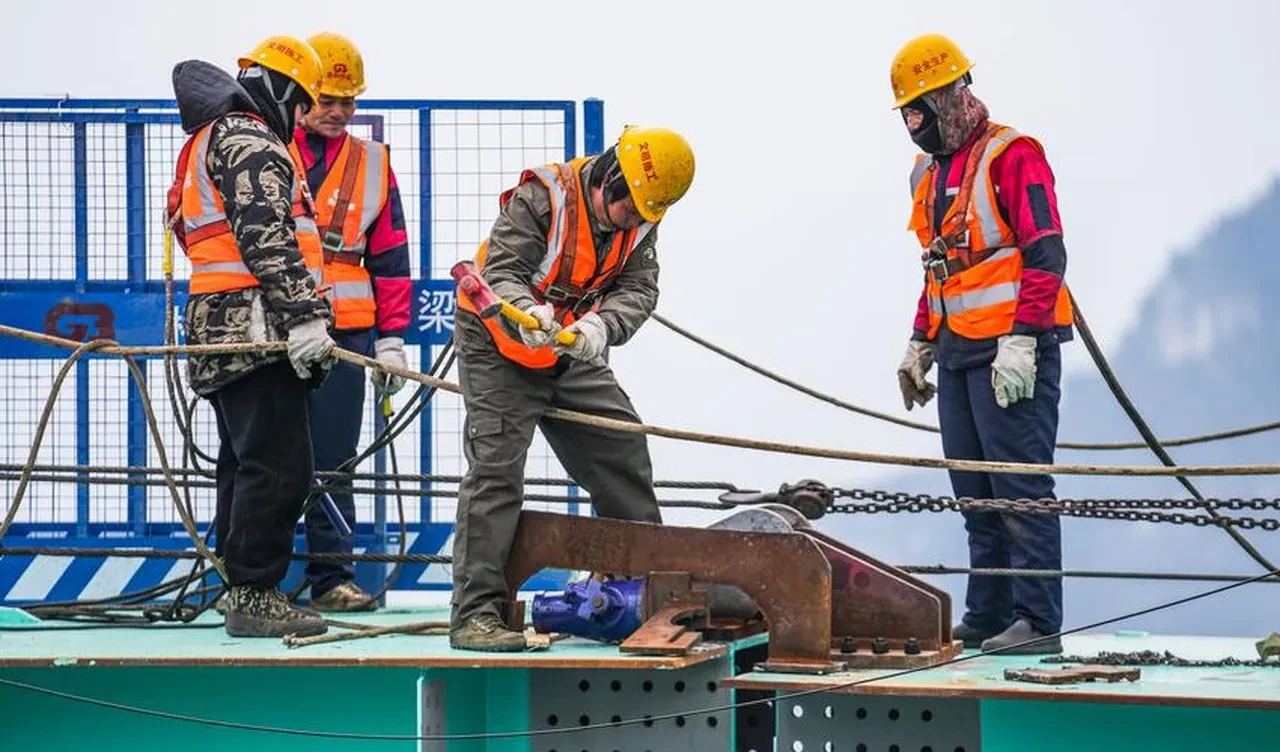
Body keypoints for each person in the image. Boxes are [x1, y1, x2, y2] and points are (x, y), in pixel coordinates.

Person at [449, 125, 696, 651]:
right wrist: (527, 312)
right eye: (629, 210)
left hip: (565, 346)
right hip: (499, 343)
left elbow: (638, 287)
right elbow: (504, 273)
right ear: (610, 179)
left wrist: (601, 327)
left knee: (621, 444)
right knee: (496, 472)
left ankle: (635, 595)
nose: (634, 222)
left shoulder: (643, 218)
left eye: (645, 216)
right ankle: (476, 617)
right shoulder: (543, 197)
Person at [889, 33, 1073, 655]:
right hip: (958, 350)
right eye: (906, 114)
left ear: (948, 98)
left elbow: (1046, 252)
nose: (912, 126)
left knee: (1020, 488)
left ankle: (1038, 624)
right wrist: (920, 341)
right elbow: (939, 265)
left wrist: (1024, 339)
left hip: (1012, 352)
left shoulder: (1013, 155)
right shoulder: (930, 170)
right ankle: (989, 613)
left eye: (918, 111)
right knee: (974, 495)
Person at [167, 35, 337, 638]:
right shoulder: (250, 140)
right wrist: (303, 316)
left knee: (244, 465)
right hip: (257, 330)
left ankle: (240, 586)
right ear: (286, 90)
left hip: (222, 331)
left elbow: (197, 234)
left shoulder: (209, 141)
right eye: (301, 106)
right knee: (279, 466)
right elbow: (266, 236)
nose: (300, 120)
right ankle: (255, 594)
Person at [286, 31, 412, 612]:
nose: (337, 112)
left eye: (348, 101)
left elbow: (389, 258)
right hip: (273, 324)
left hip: (345, 333)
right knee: (262, 457)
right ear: (301, 95)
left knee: (333, 460)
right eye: (325, 99)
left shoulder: (373, 163)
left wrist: (391, 338)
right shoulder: (265, 147)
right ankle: (253, 582)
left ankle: (333, 578)